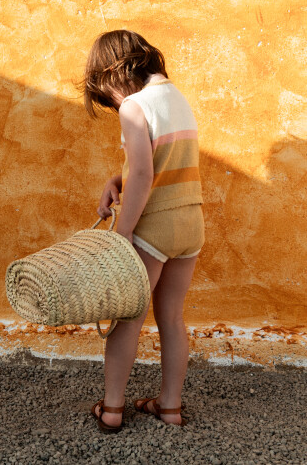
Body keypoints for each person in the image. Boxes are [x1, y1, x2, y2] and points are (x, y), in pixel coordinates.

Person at [78, 29, 205, 432]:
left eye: (109, 97)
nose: (115, 105)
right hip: (190, 223)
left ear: (115, 73)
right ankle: (170, 407)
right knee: (172, 317)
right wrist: (117, 178)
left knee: (127, 318)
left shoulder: (135, 106)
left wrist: (123, 231)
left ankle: (113, 409)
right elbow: (161, 163)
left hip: (154, 225)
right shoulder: (176, 98)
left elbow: (145, 174)